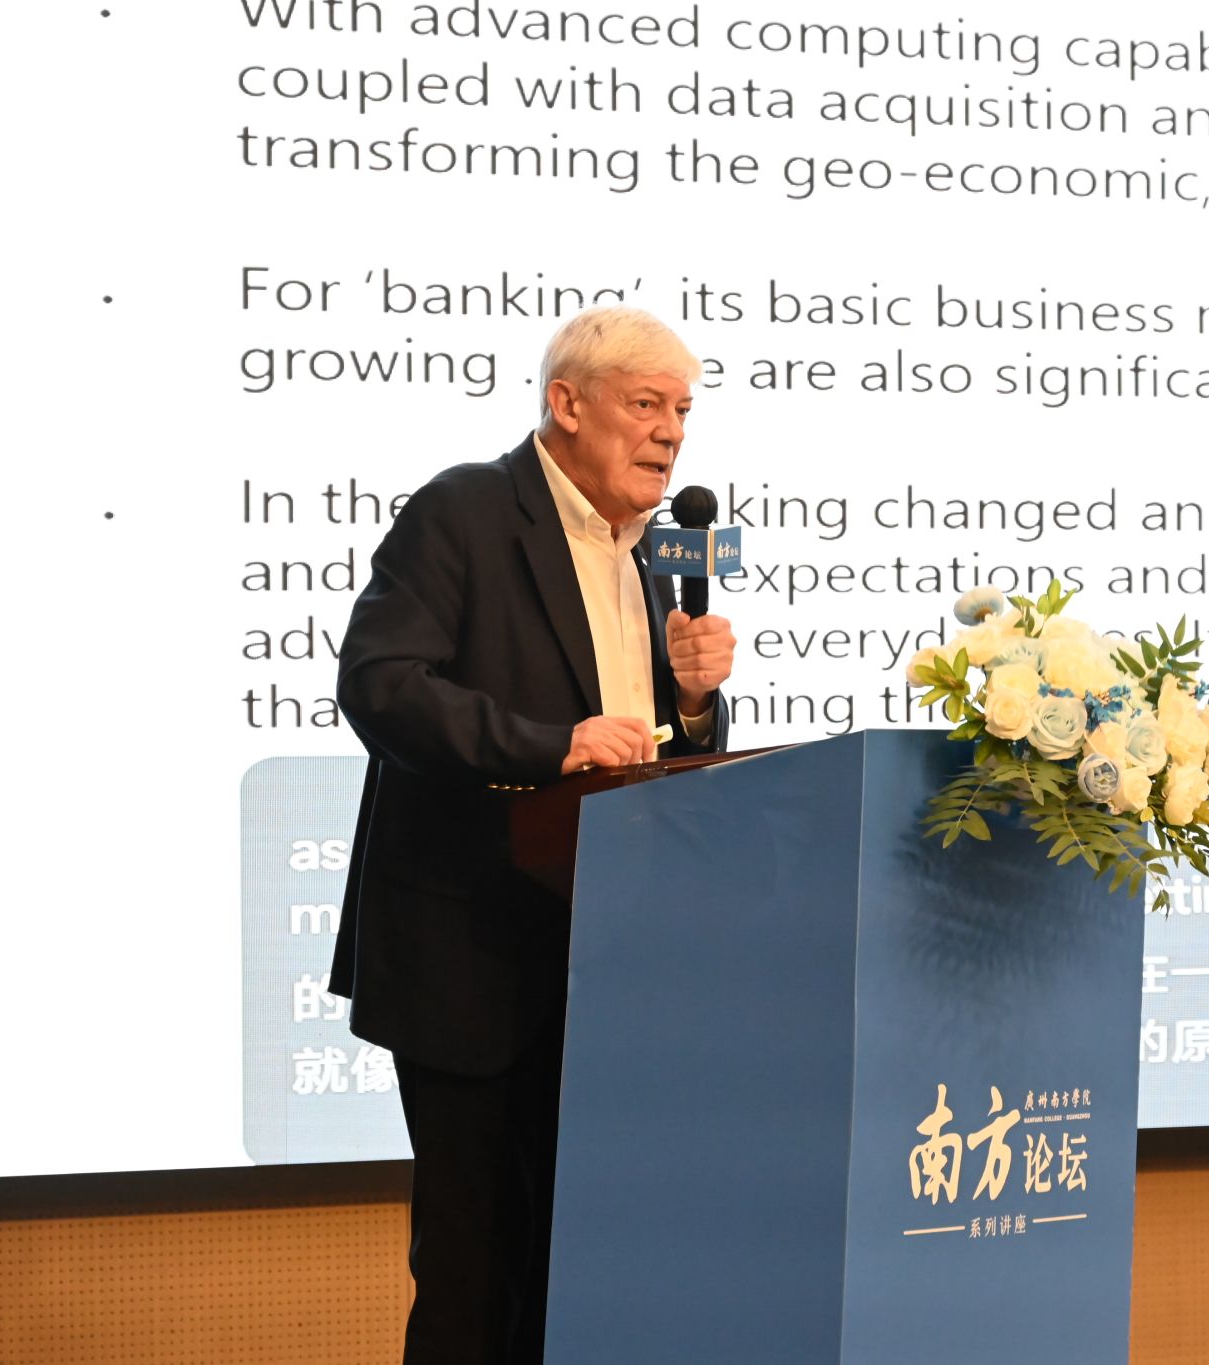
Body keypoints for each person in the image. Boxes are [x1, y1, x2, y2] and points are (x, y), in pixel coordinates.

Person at [329, 307, 736, 1363]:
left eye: (682, 409)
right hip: (471, 956)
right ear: (567, 403)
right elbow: (380, 684)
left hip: (603, 962)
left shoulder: (646, 552)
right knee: (473, 1278)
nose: (670, 431)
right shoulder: (467, 509)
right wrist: (551, 746)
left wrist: (695, 705)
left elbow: (647, 741)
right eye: (645, 404)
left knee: (575, 1270)